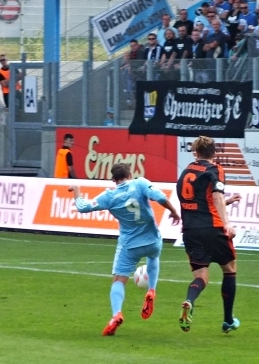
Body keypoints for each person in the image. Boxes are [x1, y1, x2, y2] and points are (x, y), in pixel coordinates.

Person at [69, 163, 181, 336]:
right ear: (130, 175)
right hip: (152, 240)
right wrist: (173, 211)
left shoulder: (109, 196)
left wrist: (76, 189)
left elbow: (83, 207)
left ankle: (116, 314)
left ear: (113, 180)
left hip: (130, 246)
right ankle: (151, 289)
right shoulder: (140, 183)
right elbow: (160, 197)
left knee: (119, 280)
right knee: (153, 257)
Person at [177, 136, 242, 334]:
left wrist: (227, 202)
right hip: (212, 228)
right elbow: (216, 195)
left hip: (190, 230)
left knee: (201, 275)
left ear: (196, 152)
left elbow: (196, 200)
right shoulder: (215, 169)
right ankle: (228, 320)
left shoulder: (187, 170)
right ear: (214, 153)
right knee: (229, 268)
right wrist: (227, 224)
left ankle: (189, 300)